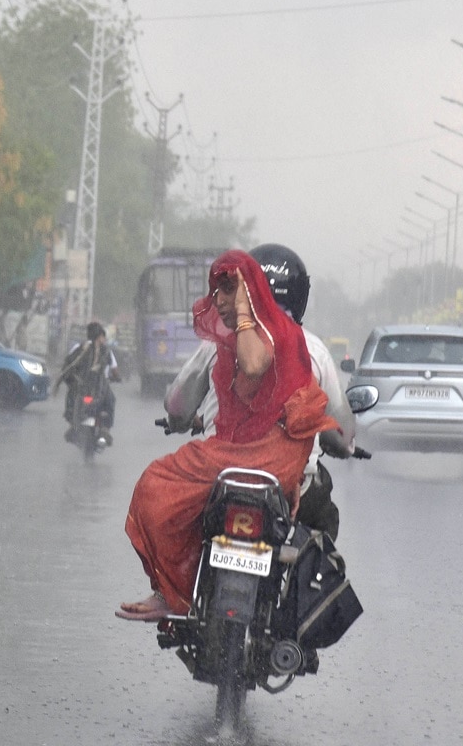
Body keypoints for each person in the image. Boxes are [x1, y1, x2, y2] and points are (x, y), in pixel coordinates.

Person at [117, 249, 338, 622]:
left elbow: (253, 365)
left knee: (156, 485)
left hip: (263, 457)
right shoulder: (248, 335)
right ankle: (175, 591)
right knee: (162, 489)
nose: (217, 300)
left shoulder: (263, 330)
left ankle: (172, 594)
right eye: (216, 291)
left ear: (250, 293)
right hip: (246, 455)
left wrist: (245, 316)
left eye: (228, 290)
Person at [163, 243, 355, 538]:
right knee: (323, 544)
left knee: (176, 525)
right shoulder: (312, 349)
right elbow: (341, 434)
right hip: (287, 483)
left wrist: (182, 420)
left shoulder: (219, 341)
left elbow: (177, 405)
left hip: (222, 477)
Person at [55, 321, 119, 445]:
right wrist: (117, 378)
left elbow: (67, 366)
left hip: (81, 388)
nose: (104, 339)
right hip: (99, 388)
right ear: (100, 336)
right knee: (110, 400)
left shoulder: (78, 348)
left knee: (71, 400)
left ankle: (72, 424)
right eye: (103, 336)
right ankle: (105, 429)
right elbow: (115, 371)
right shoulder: (106, 351)